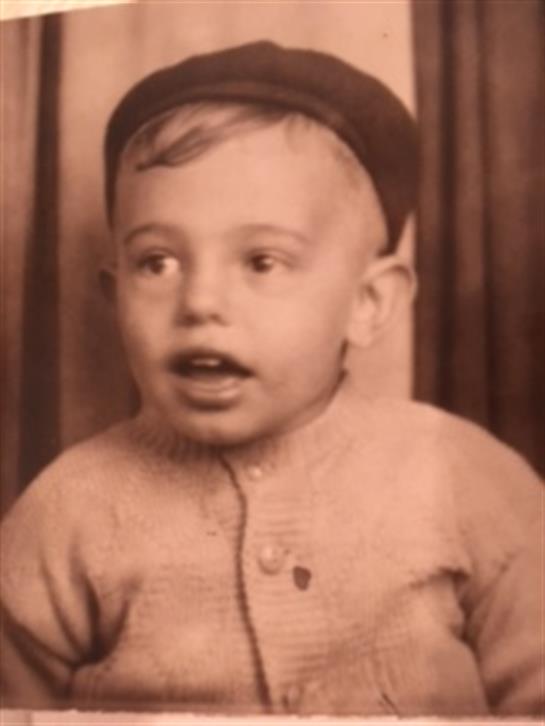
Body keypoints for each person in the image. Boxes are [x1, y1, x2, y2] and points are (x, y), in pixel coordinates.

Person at [1, 41, 542, 716]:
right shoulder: (67, 512)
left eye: (262, 261)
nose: (200, 302)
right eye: (157, 262)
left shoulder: (467, 481)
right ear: (115, 298)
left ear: (368, 303)